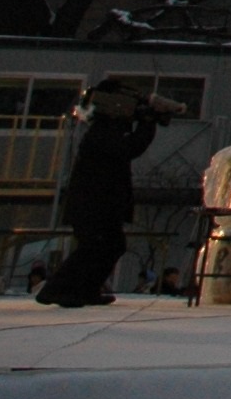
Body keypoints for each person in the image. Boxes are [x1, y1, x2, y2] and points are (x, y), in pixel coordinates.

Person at [36, 86, 179, 308]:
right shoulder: (105, 131)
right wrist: (147, 123)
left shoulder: (105, 129)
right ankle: (57, 289)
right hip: (95, 203)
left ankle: (83, 289)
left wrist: (146, 122)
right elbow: (130, 147)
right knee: (94, 246)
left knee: (108, 245)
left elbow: (129, 146)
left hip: (98, 203)